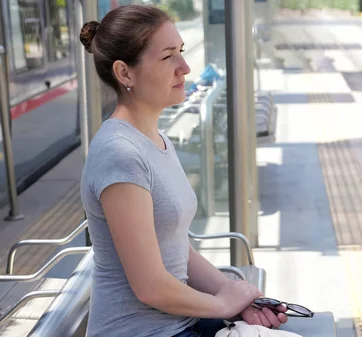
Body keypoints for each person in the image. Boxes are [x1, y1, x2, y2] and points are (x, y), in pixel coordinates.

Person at [79, 5, 287, 337]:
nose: (185, 68)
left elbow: (178, 250)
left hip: (178, 325)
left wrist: (240, 296)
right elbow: (151, 286)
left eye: (182, 52)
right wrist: (223, 305)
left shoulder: (155, 139)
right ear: (125, 73)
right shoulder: (120, 154)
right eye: (167, 57)